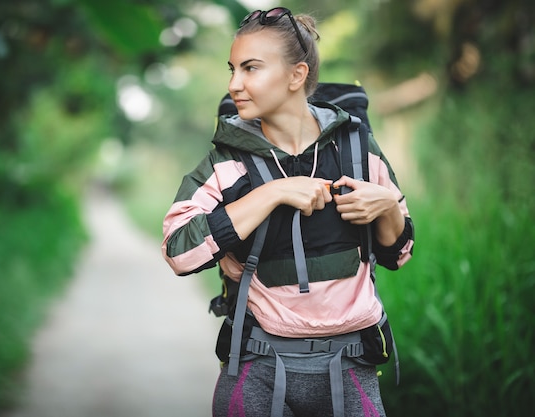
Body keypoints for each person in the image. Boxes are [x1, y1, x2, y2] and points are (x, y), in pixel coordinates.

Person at [161, 7, 414, 417]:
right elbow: (177, 250)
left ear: (296, 76)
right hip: (257, 365)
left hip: (352, 368)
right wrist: (272, 193)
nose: (234, 84)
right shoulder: (226, 163)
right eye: (232, 70)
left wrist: (386, 205)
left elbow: (398, 254)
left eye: (250, 69)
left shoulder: (355, 148)